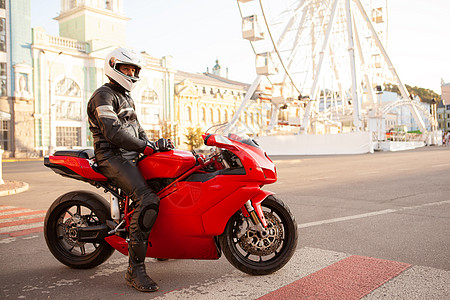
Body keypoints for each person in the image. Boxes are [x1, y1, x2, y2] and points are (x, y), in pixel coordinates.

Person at [87, 47, 173, 292]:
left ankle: (161, 246)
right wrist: (144, 146)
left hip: (130, 154)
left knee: (167, 187)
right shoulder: (102, 95)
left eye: (134, 70)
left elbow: (137, 129)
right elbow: (113, 132)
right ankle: (135, 270)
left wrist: (156, 145)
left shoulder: (126, 96)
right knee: (147, 198)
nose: (131, 73)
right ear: (113, 67)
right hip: (111, 156)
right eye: (126, 68)